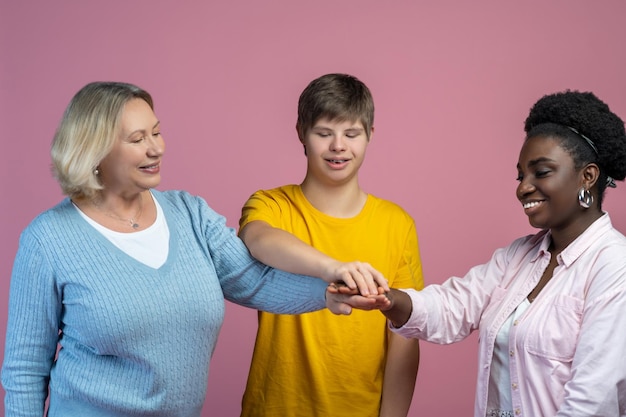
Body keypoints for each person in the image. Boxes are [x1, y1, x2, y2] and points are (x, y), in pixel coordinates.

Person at [0, 81, 387, 417]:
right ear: (94, 152)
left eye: (156, 132)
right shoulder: (49, 239)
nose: (156, 149)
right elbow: (24, 370)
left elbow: (253, 281)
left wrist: (331, 291)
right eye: (138, 140)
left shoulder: (190, 214)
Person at [338, 90, 626, 416]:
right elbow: (452, 307)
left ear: (587, 177)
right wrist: (387, 299)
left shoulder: (615, 267)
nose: (522, 187)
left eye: (541, 172)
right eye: (521, 175)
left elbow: (594, 399)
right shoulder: (518, 256)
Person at [238, 73, 424, 417]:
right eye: (324, 133)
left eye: (351, 134)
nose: (338, 145)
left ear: (369, 135)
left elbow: (403, 333)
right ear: (302, 134)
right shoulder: (271, 205)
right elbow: (258, 239)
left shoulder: (396, 223)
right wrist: (333, 268)